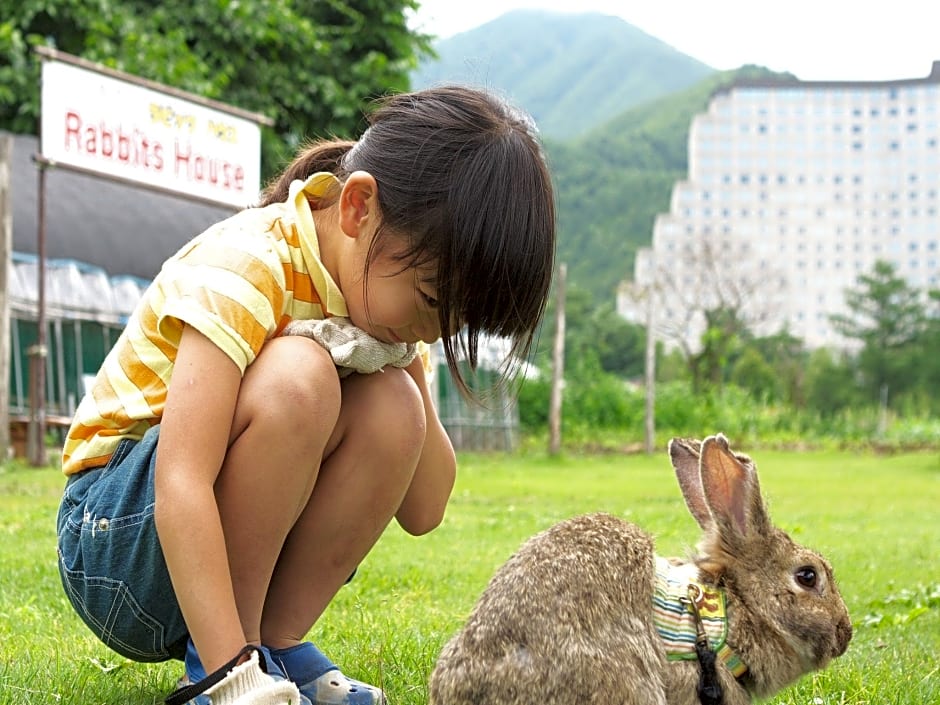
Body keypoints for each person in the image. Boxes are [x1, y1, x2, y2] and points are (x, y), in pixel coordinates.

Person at [55, 85, 556, 705]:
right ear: (358, 207)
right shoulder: (248, 264)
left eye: (455, 322)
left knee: (394, 401)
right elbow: (180, 481)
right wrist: (228, 677)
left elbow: (424, 508)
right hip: (116, 542)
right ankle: (228, 669)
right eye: (431, 300)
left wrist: (409, 365)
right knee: (302, 374)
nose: (435, 331)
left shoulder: (387, 303)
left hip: (216, 560)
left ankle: (276, 644)